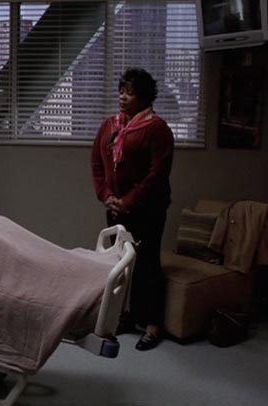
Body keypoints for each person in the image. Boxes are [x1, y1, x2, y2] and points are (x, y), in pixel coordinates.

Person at [90, 68, 174, 351]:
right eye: (121, 91)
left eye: (130, 93)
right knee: (120, 265)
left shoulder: (158, 129)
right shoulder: (110, 125)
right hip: (115, 208)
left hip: (147, 209)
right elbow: (97, 163)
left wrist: (127, 201)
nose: (122, 97)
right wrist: (107, 196)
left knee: (147, 264)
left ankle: (152, 324)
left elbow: (157, 175)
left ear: (145, 97)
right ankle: (126, 315)